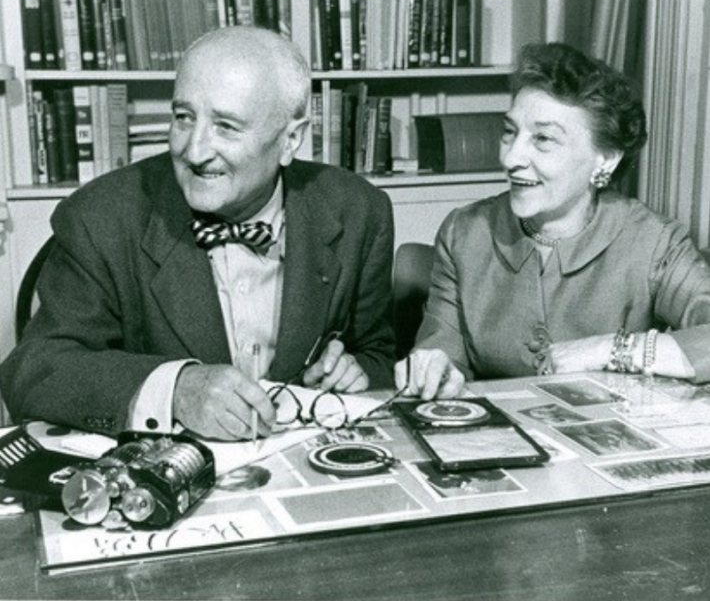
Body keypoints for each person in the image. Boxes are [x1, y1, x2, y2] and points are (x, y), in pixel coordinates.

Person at [0, 26, 395, 441]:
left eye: (226, 126)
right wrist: (173, 389)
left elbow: (378, 356)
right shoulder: (101, 217)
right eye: (183, 118)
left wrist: (353, 373)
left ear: (290, 139)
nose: (194, 151)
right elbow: (35, 369)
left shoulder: (359, 211)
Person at [395, 42, 710, 400]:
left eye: (543, 139)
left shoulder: (654, 242)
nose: (512, 157)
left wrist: (609, 350)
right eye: (510, 132)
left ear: (604, 159)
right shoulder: (464, 232)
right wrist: (436, 371)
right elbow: (441, 351)